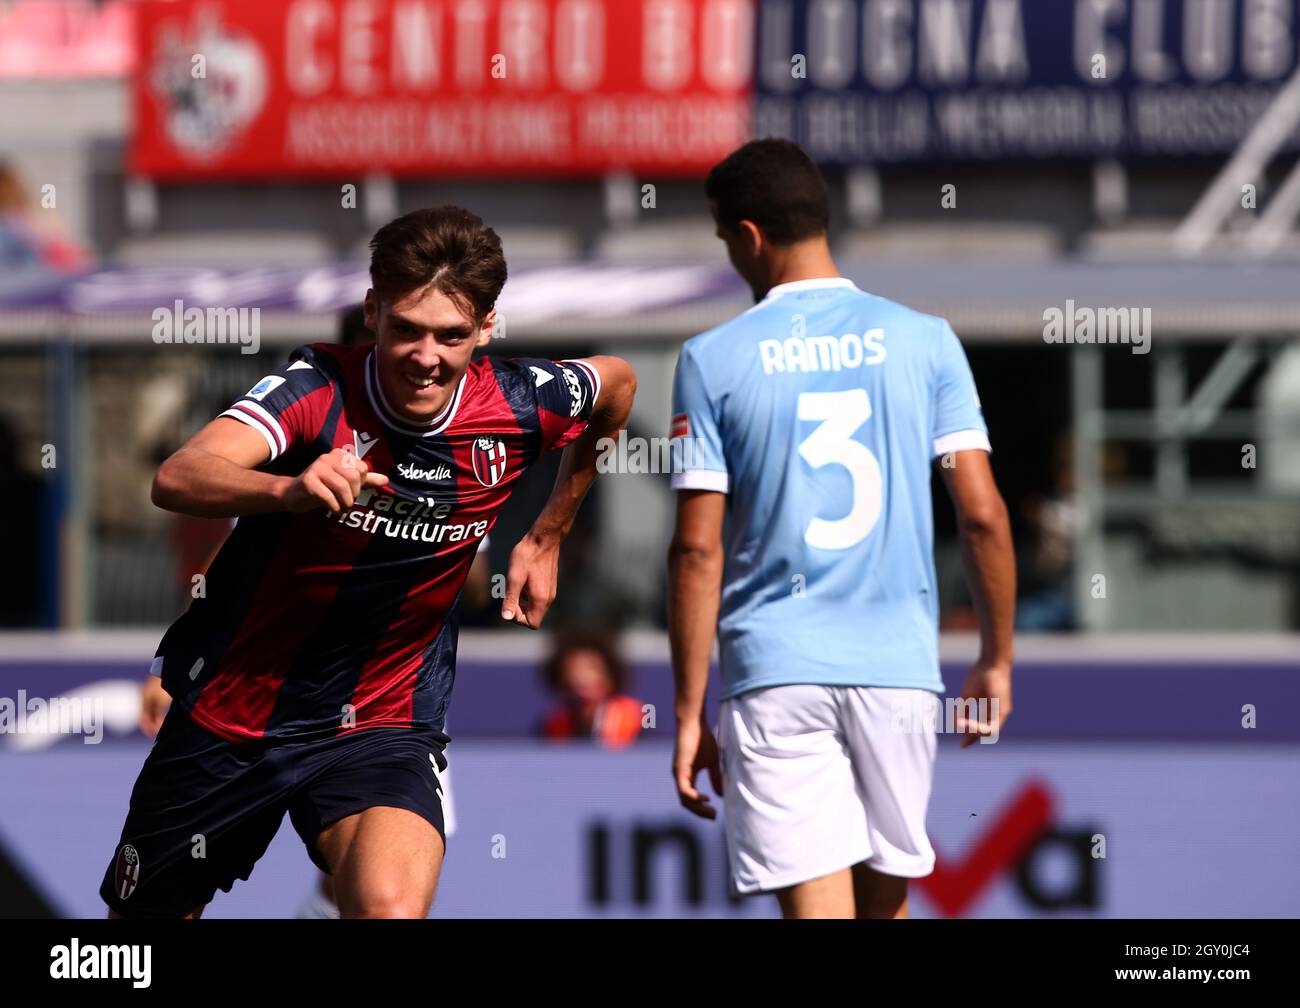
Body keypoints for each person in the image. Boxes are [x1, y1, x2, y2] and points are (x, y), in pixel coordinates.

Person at [102, 205, 636, 919]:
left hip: (382, 721)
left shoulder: (517, 403)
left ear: (486, 328)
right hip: (234, 716)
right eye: (406, 330)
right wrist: (287, 488)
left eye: (451, 336)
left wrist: (549, 531)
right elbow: (179, 475)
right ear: (372, 310)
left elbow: (619, 384)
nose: (427, 357)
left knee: (387, 907)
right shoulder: (318, 387)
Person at [666, 140, 1015, 920]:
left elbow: (697, 548)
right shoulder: (926, 340)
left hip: (776, 667)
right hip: (896, 669)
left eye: (728, 242)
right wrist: (995, 658)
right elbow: (984, 515)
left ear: (749, 237)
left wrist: (689, 712)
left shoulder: (711, 357)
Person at [539, 629, 642, 749]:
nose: (582, 678)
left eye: (592, 668)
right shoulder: (553, 725)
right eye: (573, 669)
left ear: (611, 675)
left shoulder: (637, 722)